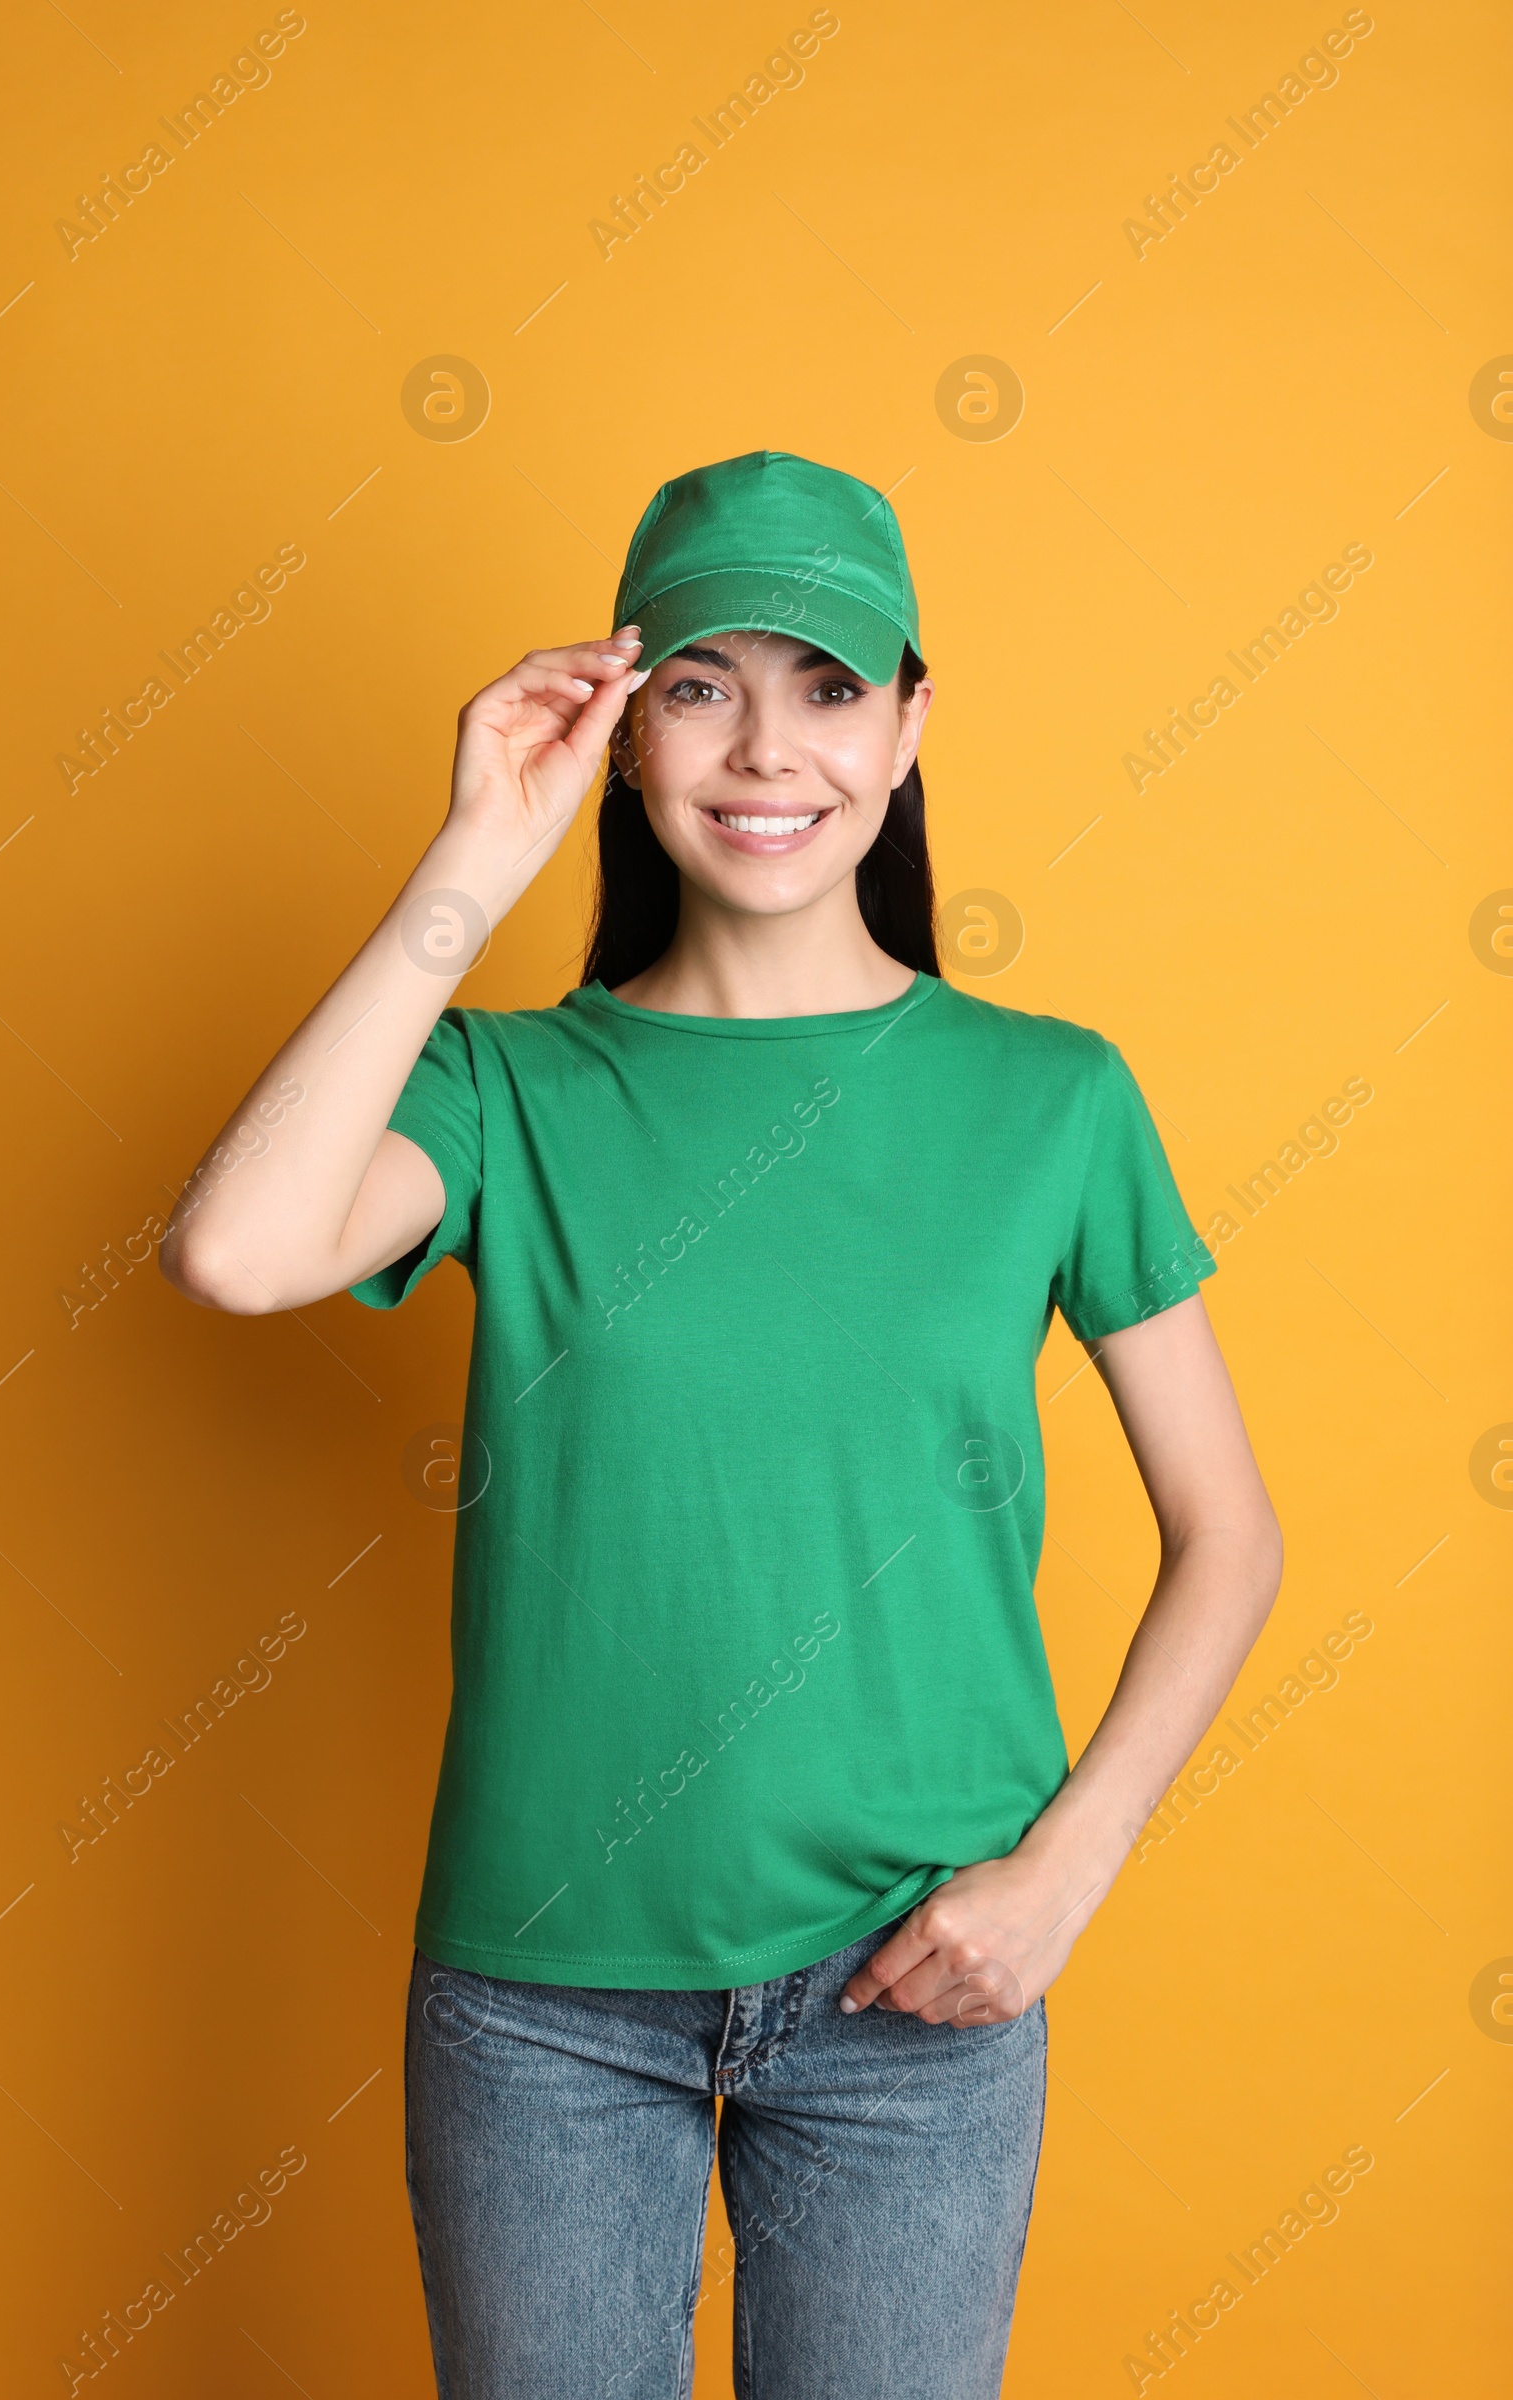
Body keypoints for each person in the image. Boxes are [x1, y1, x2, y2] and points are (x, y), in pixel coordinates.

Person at [161, 450, 1282, 2399]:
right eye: (697, 683)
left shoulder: (1048, 1100)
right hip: (541, 2002)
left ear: (910, 719)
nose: (765, 748)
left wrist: (1062, 1871)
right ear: (616, 718)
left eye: (827, 685)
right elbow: (240, 1252)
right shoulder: (506, 1089)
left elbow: (1228, 1534)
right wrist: (468, 864)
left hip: (912, 1993)